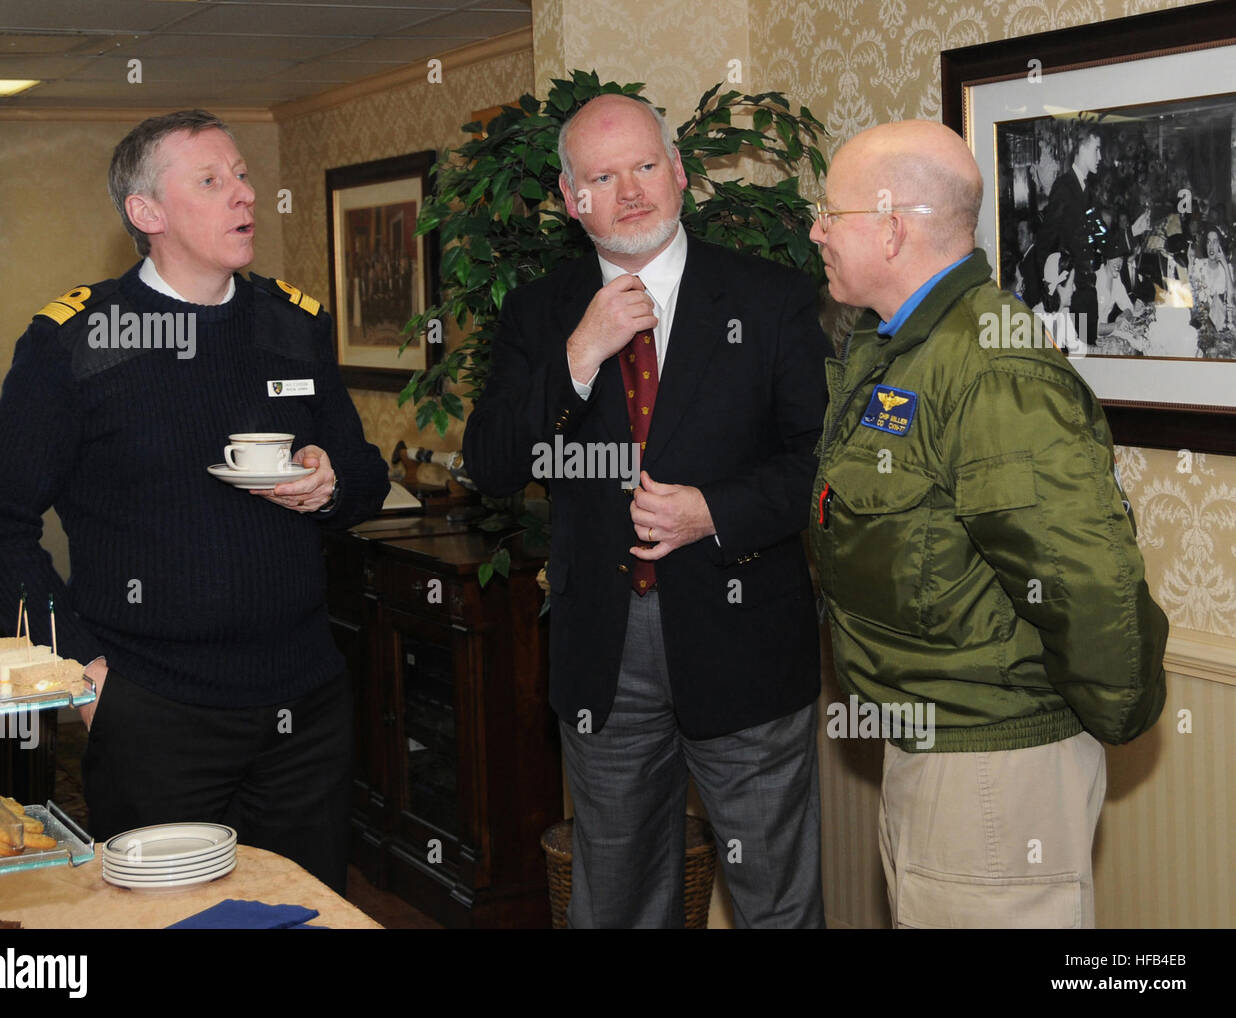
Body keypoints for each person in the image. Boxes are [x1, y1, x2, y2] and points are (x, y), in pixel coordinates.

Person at [0, 109, 389, 892]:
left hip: (304, 703)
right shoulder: (78, 343)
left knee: (303, 909)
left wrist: (331, 481)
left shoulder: (294, 324)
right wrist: (83, 674)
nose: (244, 195)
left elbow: (366, 477)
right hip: (153, 708)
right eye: (212, 180)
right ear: (147, 214)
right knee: (173, 918)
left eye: (244, 175)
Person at [462, 94, 830, 928]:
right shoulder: (539, 314)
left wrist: (714, 510)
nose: (629, 191)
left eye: (644, 166)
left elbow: (822, 465)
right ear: (569, 197)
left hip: (746, 643)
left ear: (680, 173)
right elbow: (489, 465)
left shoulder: (770, 299)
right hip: (605, 654)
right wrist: (579, 355)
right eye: (601, 175)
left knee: (776, 899)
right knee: (619, 902)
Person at [808, 119, 1167, 929]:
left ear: (892, 226)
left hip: (997, 770)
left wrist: (1111, 717)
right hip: (934, 750)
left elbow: (1086, 576)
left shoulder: (990, 367)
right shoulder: (897, 349)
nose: (815, 230)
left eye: (830, 213)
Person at [1036, 128, 1106, 342]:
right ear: (1082, 149)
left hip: (1087, 294)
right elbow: (1045, 241)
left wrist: (1132, 233)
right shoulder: (1064, 187)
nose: (1100, 157)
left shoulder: (1087, 192)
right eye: (1097, 150)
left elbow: (1098, 238)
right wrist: (1051, 290)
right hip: (1070, 295)